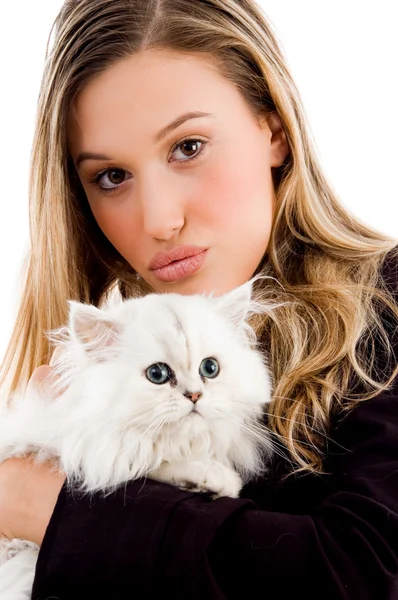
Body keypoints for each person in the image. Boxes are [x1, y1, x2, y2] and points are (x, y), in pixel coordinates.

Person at [0, 0, 397, 597]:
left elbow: (367, 573)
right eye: (111, 177)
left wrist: (60, 513)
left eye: (187, 147)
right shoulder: (88, 373)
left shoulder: (388, 306)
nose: (159, 219)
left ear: (275, 130)